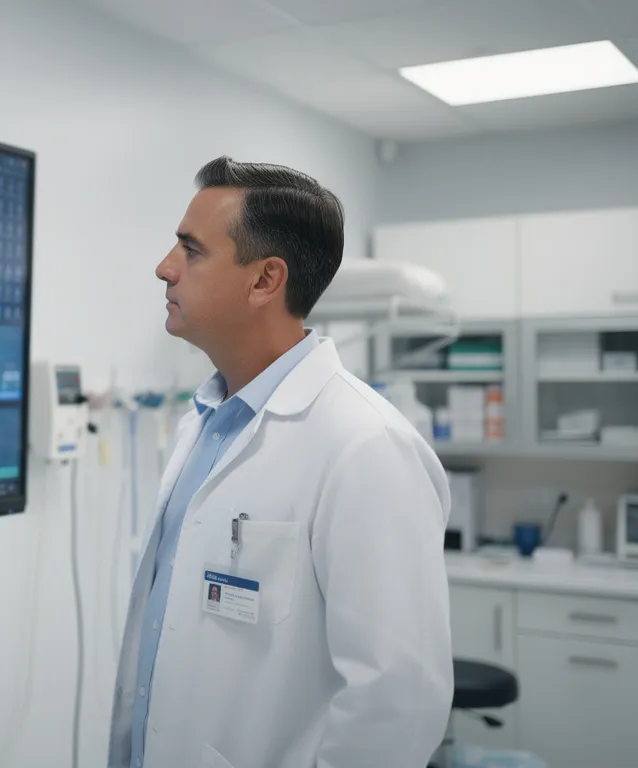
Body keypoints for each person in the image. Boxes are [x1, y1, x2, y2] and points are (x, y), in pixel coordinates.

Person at [107, 157, 454, 768]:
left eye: (190, 250)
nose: (164, 268)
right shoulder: (205, 424)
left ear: (265, 280)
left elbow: (396, 708)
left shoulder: (366, 447)